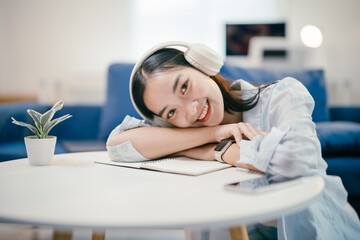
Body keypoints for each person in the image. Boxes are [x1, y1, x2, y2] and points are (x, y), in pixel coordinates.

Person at [106, 41, 360, 239]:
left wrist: (217, 151)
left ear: (203, 66)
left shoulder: (284, 94)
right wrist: (213, 140)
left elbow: (296, 161)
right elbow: (117, 146)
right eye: (171, 112)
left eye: (184, 87)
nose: (191, 111)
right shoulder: (183, 130)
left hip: (311, 227)